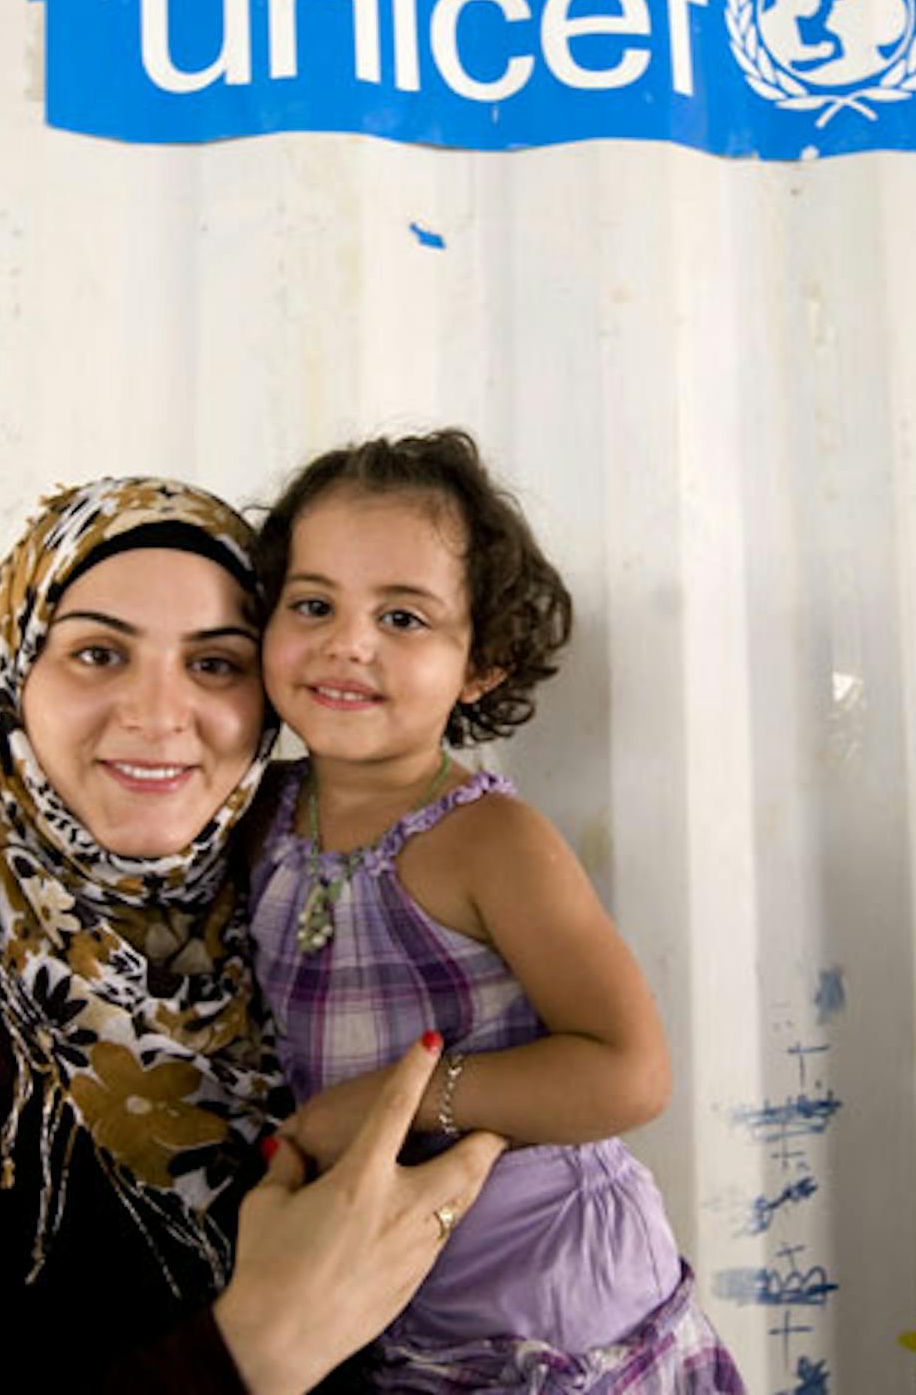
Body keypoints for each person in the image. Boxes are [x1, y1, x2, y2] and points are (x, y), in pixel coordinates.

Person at [0, 477, 503, 1393]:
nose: (158, 713)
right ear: (13, 677)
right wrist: (258, 1345)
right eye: (99, 653)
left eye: (215, 663)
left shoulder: (315, 961)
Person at [244, 432, 743, 1390]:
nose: (348, 642)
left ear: (483, 663)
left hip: (550, 1302)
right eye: (313, 605)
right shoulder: (261, 815)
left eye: (403, 617)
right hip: (392, 1304)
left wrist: (394, 1102)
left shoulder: (488, 840)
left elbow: (629, 1072)